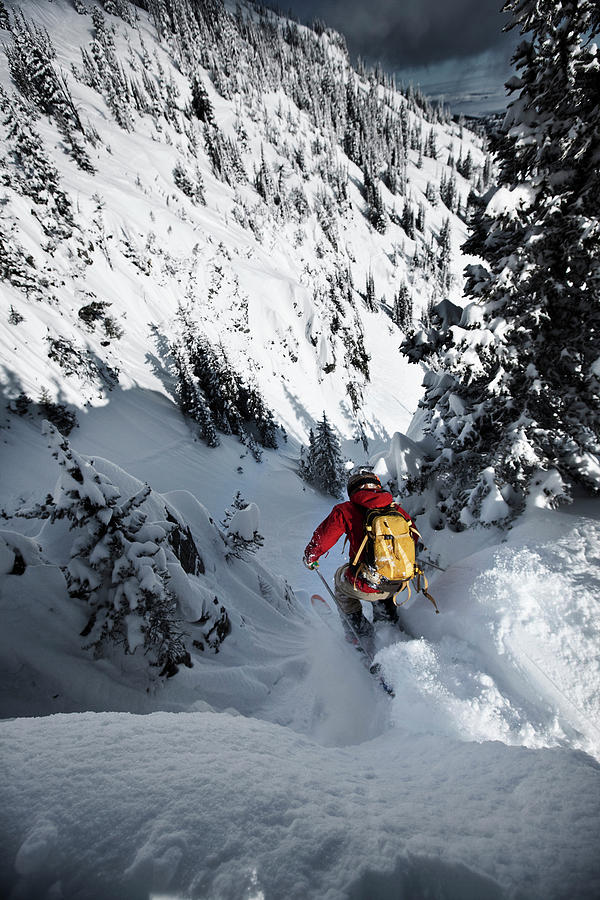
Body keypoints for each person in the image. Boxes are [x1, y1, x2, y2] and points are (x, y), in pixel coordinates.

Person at [303, 468, 417, 638]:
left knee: (340, 579)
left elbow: (323, 539)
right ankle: (386, 622)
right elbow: (414, 537)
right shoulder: (396, 510)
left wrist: (310, 556)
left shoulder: (346, 510)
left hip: (366, 584)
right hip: (397, 582)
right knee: (382, 580)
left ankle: (359, 633)